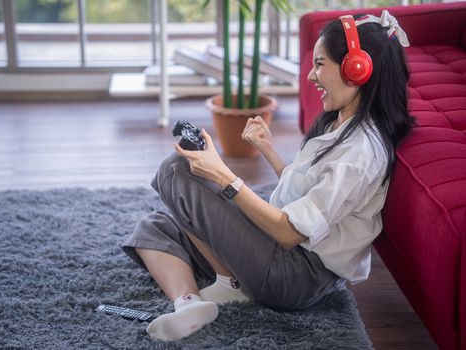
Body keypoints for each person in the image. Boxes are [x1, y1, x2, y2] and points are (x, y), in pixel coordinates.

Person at [122, 10, 414, 342]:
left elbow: (291, 232)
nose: (310, 76)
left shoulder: (361, 152)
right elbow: (307, 193)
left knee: (175, 170)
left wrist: (225, 177)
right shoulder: (340, 124)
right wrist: (268, 150)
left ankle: (229, 282)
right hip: (282, 255)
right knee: (156, 226)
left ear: (356, 70)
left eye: (320, 65)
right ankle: (189, 302)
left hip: (294, 275)